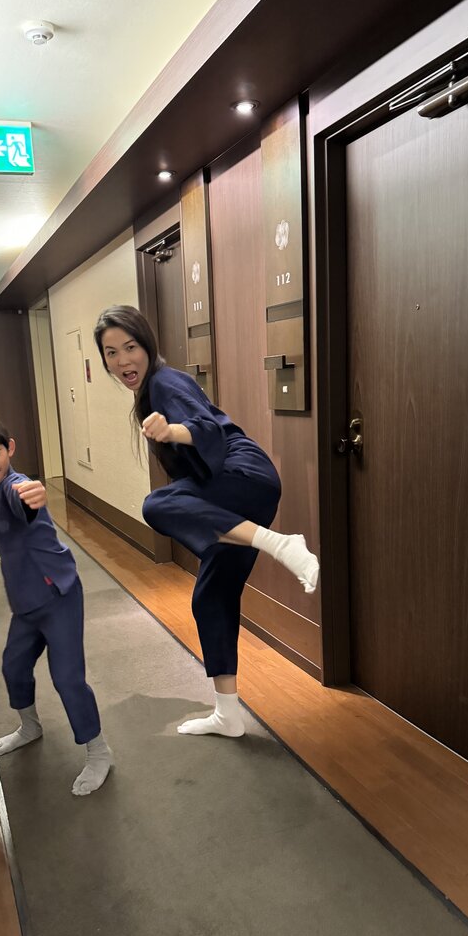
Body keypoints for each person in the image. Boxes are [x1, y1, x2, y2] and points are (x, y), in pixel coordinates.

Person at [94, 305, 320, 738]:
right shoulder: (148, 394)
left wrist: (172, 431)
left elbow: (206, 427)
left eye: (130, 347)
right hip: (234, 491)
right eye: (111, 353)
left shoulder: (164, 381)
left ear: (147, 346)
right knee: (211, 596)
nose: (123, 360)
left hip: (242, 475)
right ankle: (227, 714)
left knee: (156, 506)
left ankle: (281, 544)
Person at [0, 414, 112, 796]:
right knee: (13, 666)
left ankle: (98, 751)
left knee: (67, 678)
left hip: (58, 596)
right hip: (25, 602)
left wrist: (33, 495)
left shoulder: (15, 486)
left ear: (10, 448)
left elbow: (24, 498)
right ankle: (30, 726)